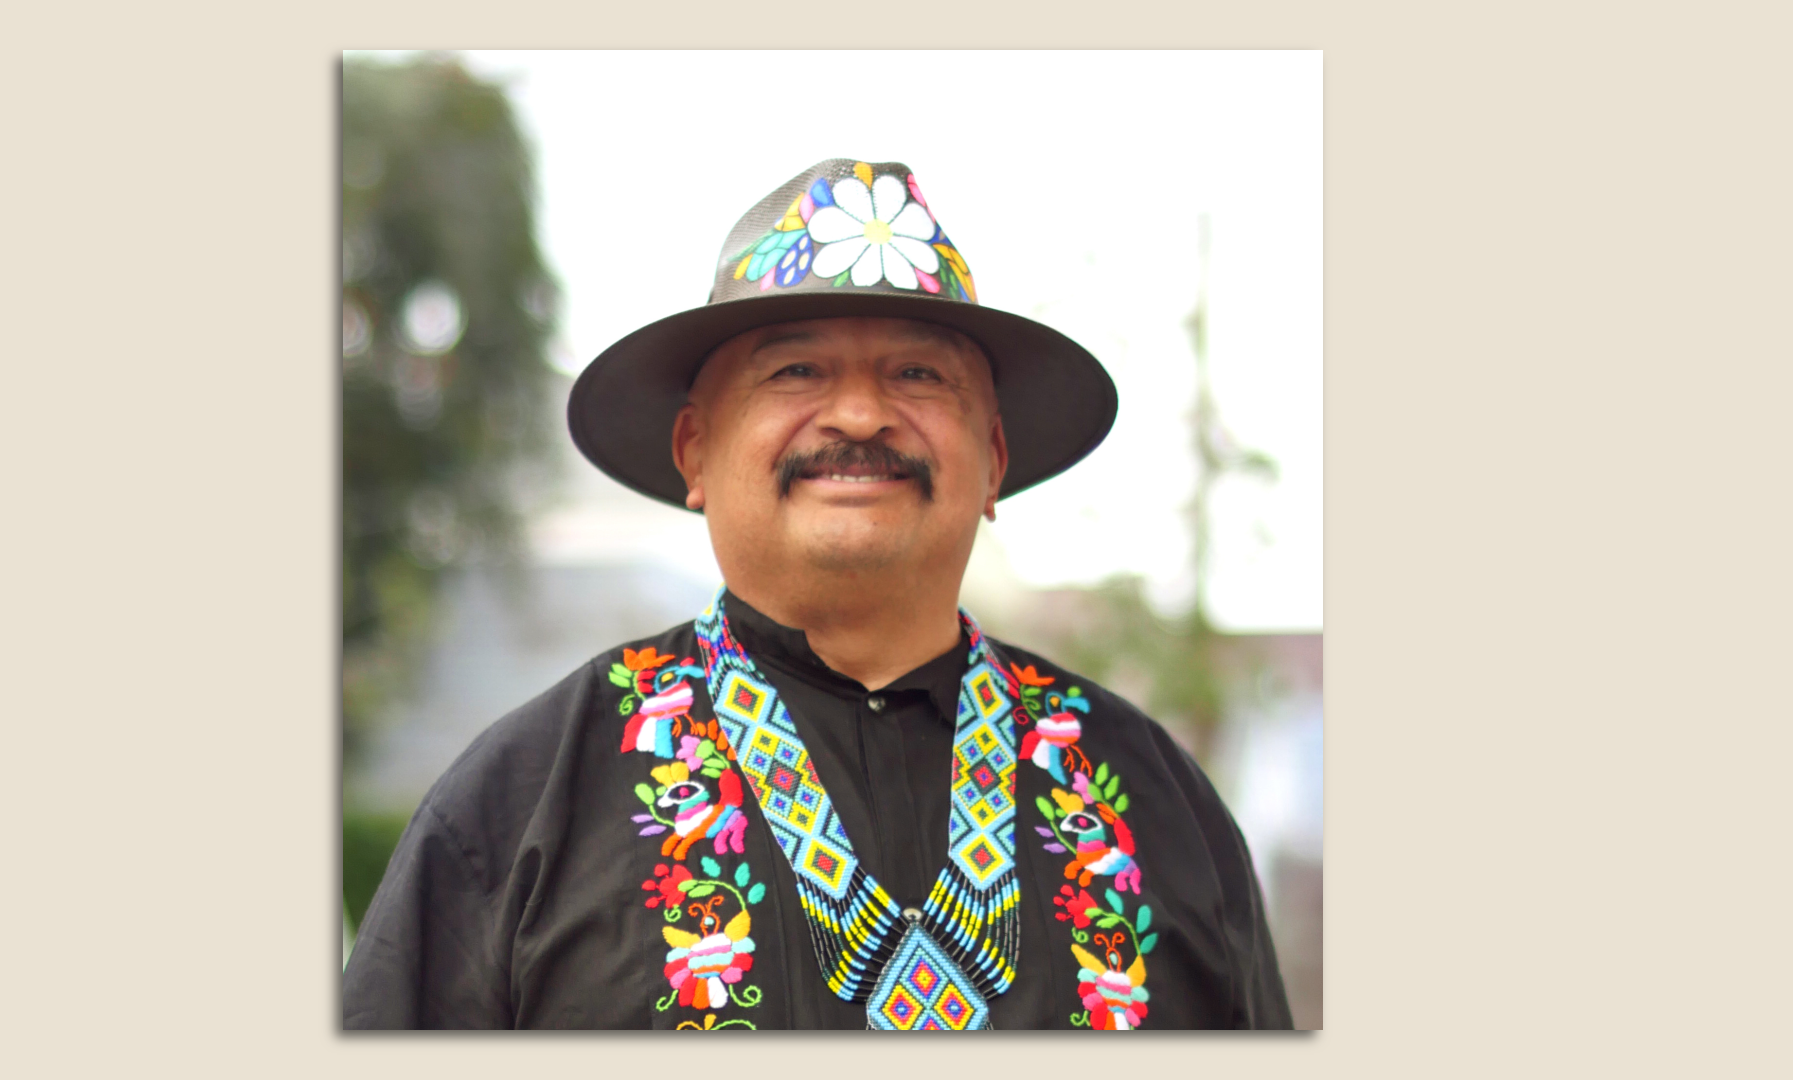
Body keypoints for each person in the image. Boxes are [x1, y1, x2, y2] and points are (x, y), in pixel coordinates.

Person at [342, 158, 1293, 1030]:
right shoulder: (517, 809)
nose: (860, 414)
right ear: (695, 453)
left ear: (993, 460)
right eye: (796, 369)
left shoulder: (1154, 805)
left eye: (918, 373)